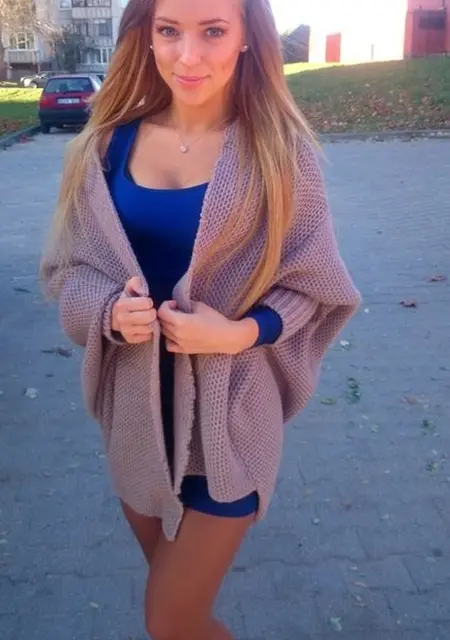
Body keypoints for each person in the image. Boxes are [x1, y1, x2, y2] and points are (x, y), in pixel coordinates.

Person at [40, 0, 361, 638]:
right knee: (181, 619)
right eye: (169, 31)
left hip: (229, 421)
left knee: (168, 618)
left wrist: (240, 333)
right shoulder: (104, 147)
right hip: (136, 422)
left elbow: (316, 284)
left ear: (245, 37)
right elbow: (66, 272)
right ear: (146, 36)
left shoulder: (279, 153)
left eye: (213, 31)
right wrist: (107, 311)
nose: (188, 56)